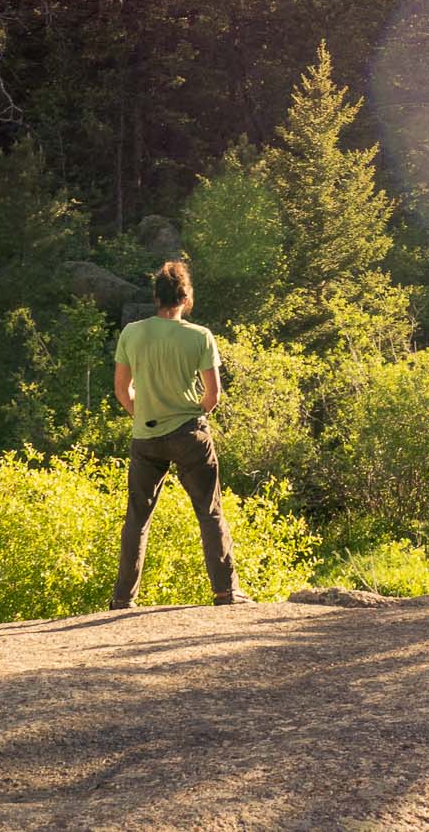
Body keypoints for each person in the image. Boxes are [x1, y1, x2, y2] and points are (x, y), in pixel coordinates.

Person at [109, 259, 250, 608]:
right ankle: (225, 592)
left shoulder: (132, 333)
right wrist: (191, 416)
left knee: (137, 520)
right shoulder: (200, 336)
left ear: (156, 296)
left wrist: (142, 414)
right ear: (186, 299)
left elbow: (122, 390)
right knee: (209, 512)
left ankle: (123, 600)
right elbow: (213, 396)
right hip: (190, 436)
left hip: (146, 437)